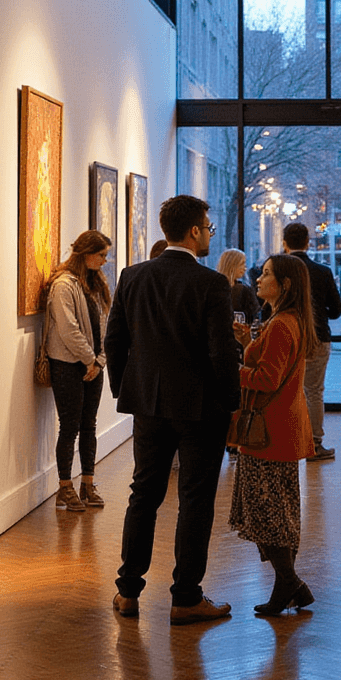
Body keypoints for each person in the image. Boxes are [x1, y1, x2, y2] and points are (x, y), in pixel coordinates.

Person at [104, 193, 240, 623]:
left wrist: (128, 389)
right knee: (195, 500)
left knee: (143, 494)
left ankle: (128, 592)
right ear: (194, 231)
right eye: (208, 228)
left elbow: (114, 341)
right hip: (200, 409)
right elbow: (221, 353)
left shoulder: (132, 275)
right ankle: (185, 597)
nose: (209, 236)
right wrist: (232, 402)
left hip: (148, 404)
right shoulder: (211, 284)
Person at [229, 254, 317, 616]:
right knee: (278, 510)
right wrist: (249, 340)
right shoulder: (283, 320)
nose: (258, 278)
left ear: (285, 285)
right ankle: (289, 585)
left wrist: (233, 370)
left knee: (268, 513)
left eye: (266, 274)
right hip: (279, 426)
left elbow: (267, 378)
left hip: (269, 429)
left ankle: (290, 583)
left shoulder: (282, 324)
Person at [43, 229, 112, 512]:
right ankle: (64, 487)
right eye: (101, 255)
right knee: (70, 427)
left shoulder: (94, 284)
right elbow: (68, 328)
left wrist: (100, 361)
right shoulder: (64, 285)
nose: (105, 261)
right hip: (68, 366)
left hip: (93, 365)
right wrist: (89, 360)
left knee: (89, 426)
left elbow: (106, 325)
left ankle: (87, 482)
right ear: (86, 253)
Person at [282, 221, 341, 462]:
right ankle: (315, 443)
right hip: (318, 336)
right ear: (308, 243)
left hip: (287, 336)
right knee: (314, 391)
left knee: (286, 390)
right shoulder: (322, 271)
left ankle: (287, 440)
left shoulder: (278, 269)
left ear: (285, 243)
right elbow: (337, 310)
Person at [217, 248, 260, 330]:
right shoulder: (243, 290)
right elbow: (255, 315)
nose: (245, 268)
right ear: (233, 265)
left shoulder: (214, 288)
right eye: (242, 264)